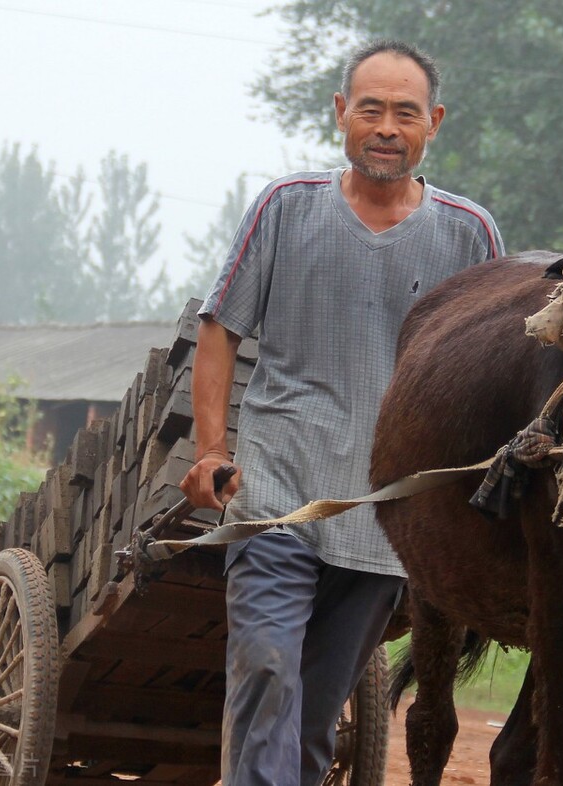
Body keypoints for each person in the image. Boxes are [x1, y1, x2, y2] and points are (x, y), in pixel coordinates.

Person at [179, 39, 504, 786]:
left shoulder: (469, 234)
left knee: (316, 717)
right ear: (340, 115)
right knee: (264, 668)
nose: (386, 127)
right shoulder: (287, 208)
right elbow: (219, 327)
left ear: (434, 124)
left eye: (405, 113)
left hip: (386, 521)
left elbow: (487, 377)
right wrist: (210, 452)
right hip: (275, 496)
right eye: (371, 109)